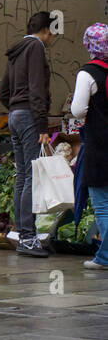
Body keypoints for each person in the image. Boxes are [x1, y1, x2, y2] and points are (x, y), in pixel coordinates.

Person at [0, 11, 55, 257]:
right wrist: (42, 124)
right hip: (29, 116)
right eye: (53, 32)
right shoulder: (35, 48)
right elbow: (37, 88)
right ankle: (29, 238)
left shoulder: (17, 50)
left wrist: (15, 108)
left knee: (22, 176)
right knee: (31, 177)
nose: (53, 37)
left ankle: (23, 234)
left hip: (15, 115)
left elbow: (3, 91)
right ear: (46, 30)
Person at [73, 24, 108, 269]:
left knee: (102, 204)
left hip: (99, 145)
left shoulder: (88, 73)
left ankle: (105, 257)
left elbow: (78, 110)